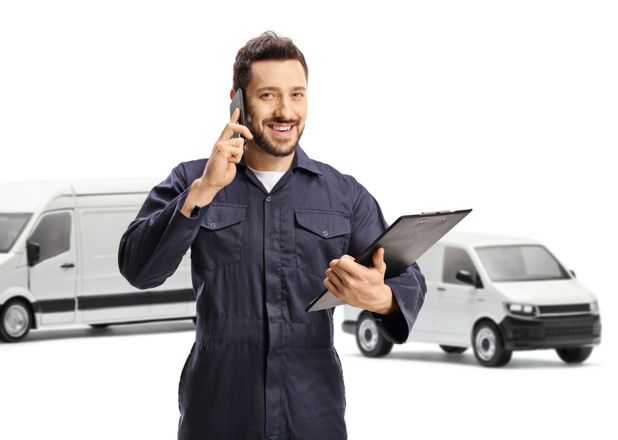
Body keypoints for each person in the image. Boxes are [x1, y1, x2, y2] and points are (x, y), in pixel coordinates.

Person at [118, 31, 426, 440]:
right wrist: (202, 193)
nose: (286, 111)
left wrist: (382, 299)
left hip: (313, 416)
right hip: (217, 416)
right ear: (237, 100)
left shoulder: (343, 194)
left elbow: (407, 278)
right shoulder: (191, 179)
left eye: (297, 95)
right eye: (268, 95)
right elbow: (138, 268)